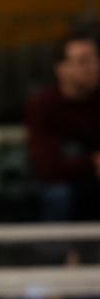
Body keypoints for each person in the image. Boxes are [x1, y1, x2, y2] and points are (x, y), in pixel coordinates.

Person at [25, 32, 100, 221]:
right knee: (57, 194)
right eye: (83, 61)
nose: (94, 67)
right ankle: (53, 242)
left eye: (95, 59)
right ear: (61, 69)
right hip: (64, 184)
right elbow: (48, 168)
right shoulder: (43, 104)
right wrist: (93, 161)